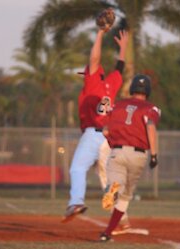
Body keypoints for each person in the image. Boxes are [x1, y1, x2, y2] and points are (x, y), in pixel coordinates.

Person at [61, 28, 129, 223]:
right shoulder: (111, 84)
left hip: (94, 134)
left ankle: (75, 202)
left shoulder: (93, 83)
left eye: (86, 73)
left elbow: (94, 59)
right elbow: (120, 67)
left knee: (77, 169)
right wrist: (122, 49)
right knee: (106, 179)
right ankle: (121, 219)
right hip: (109, 138)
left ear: (93, 73)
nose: (84, 75)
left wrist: (100, 33)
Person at [99, 74, 161, 242]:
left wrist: (113, 143)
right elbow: (150, 126)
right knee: (126, 197)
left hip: (118, 151)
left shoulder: (118, 105)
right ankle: (107, 233)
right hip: (138, 154)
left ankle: (112, 190)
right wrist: (154, 155)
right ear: (147, 90)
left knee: (114, 184)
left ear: (132, 88)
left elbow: (105, 129)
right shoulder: (152, 108)